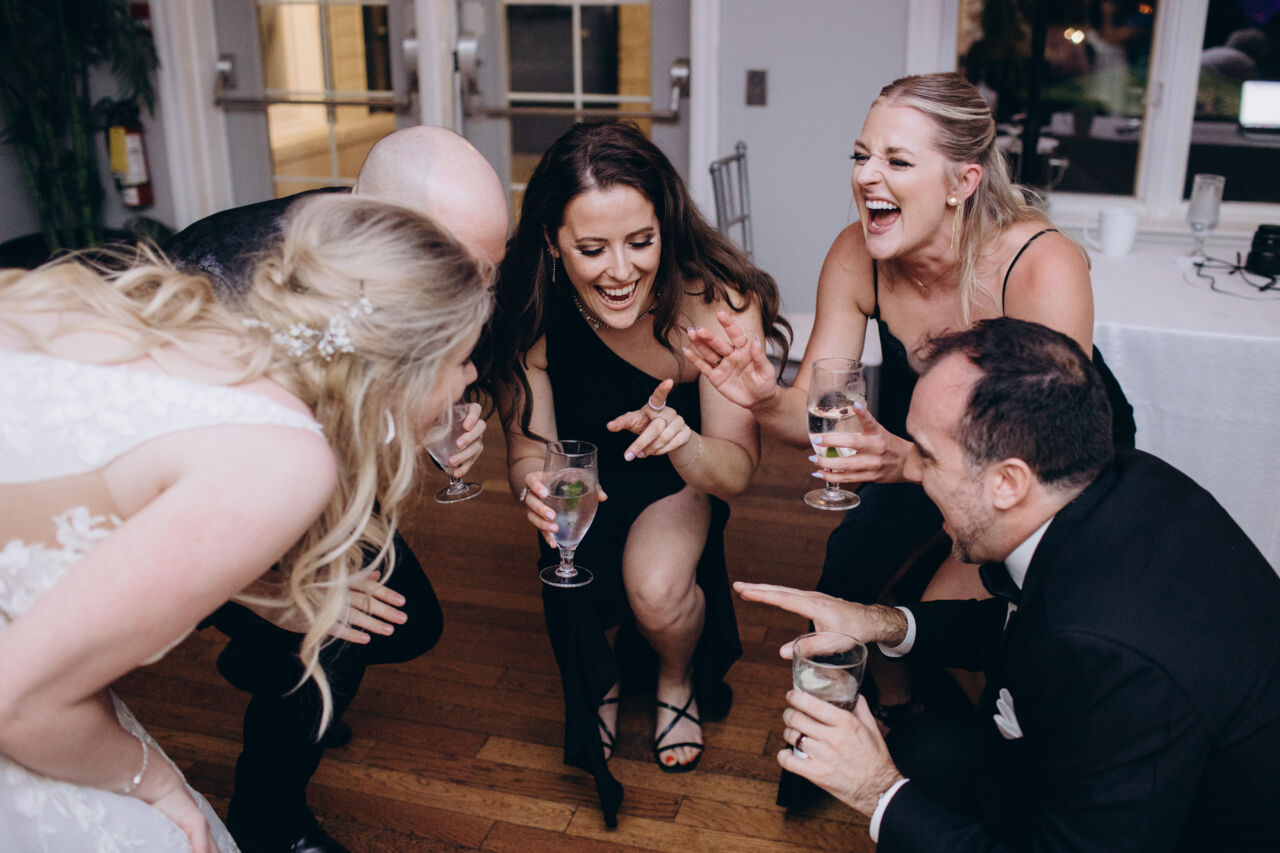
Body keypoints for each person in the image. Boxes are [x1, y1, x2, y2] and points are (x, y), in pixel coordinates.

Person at [0, 193, 494, 852]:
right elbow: (17, 702)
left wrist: (264, 594)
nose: (470, 377)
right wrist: (156, 784)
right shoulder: (287, 458)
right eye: (461, 359)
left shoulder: (192, 326)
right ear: (401, 369)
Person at [686, 72, 1136, 732]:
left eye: (897, 161)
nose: (867, 175)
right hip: (917, 450)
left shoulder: (1040, 263)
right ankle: (895, 711)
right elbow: (812, 413)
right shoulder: (856, 255)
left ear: (963, 182)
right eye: (861, 155)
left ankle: (969, 744)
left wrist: (907, 461)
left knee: (940, 616)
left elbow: (1037, 457)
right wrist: (761, 396)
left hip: (1044, 473)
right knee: (846, 582)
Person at [737, 318, 1280, 852]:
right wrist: (881, 622)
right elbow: (1022, 623)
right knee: (926, 749)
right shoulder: (1121, 481)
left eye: (927, 455)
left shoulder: (1106, 653)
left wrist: (873, 789)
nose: (913, 472)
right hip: (1109, 768)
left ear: (1007, 483)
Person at [164, 126, 509, 853]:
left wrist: (418, 424)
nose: (478, 296)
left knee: (406, 622)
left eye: (490, 270)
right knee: (332, 630)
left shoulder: (399, 259)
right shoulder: (222, 289)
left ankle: (263, 661)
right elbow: (156, 507)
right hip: (180, 503)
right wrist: (268, 597)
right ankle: (267, 821)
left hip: (304, 486)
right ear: (382, 223)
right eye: (462, 266)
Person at [475, 121, 789, 825]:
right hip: (578, 476)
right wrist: (534, 486)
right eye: (592, 249)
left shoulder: (716, 300)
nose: (620, 270)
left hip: (679, 471)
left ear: (665, 228)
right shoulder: (530, 309)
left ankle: (676, 677)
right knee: (577, 573)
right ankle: (606, 677)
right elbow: (527, 450)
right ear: (553, 240)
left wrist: (682, 441)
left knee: (657, 591)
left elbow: (736, 470)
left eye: (640, 241)